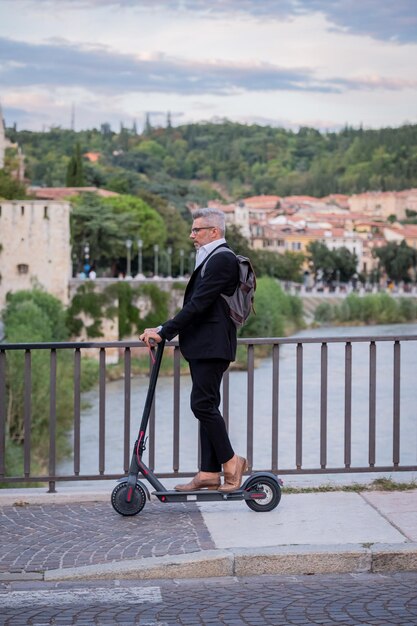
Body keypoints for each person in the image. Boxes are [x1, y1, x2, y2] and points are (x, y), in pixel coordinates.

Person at [139, 207, 247, 492]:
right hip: (205, 345)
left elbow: (198, 304)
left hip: (212, 345)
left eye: (196, 230)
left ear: (214, 231)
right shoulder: (212, 257)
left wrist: (164, 331)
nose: (191, 235)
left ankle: (232, 462)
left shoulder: (222, 259)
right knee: (207, 406)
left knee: (202, 405)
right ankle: (209, 473)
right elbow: (198, 304)